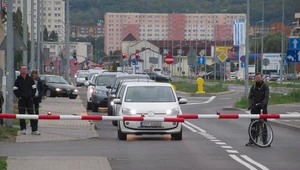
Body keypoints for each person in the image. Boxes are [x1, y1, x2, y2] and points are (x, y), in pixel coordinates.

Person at [13, 65, 40, 135]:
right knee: (21, 115)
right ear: (20, 70)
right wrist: (19, 97)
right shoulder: (18, 80)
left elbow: (34, 88)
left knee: (32, 114)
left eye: (25, 69)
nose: (24, 70)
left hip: (29, 100)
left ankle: (34, 130)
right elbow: (15, 89)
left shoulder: (30, 79)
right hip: (21, 100)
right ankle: (23, 129)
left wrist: (32, 96)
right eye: (23, 69)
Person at [246, 72, 270, 146]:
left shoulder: (265, 86)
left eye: (259, 78)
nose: (258, 79)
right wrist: (250, 105)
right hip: (254, 107)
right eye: (256, 78)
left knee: (264, 123)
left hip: (262, 107)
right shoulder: (253, 87)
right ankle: (251, 140)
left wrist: (263, 103)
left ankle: (265, 140)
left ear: (262, 78)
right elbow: (250, 97)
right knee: (253, 124)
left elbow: (266, 97)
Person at [31, 70, 44, 134]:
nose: (34, 75)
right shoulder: (30, 81)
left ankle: (36, 122)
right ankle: (32, 123)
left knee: (36, 110)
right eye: (33, 74)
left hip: (37, 97)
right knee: (31, 111)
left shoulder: (39, 81)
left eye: (35, 74)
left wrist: (40, 95)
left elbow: (42, 89)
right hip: (31, 97)